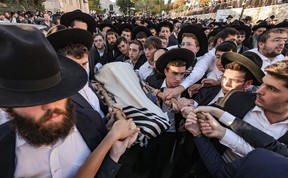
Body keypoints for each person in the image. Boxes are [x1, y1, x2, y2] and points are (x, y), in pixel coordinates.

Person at [0, 24, 136, 178]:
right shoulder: (4, 154)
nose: (52, 106)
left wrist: (112, 148)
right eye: (34, 99)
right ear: (6, 105)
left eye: (57, 91)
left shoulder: (91, 120)